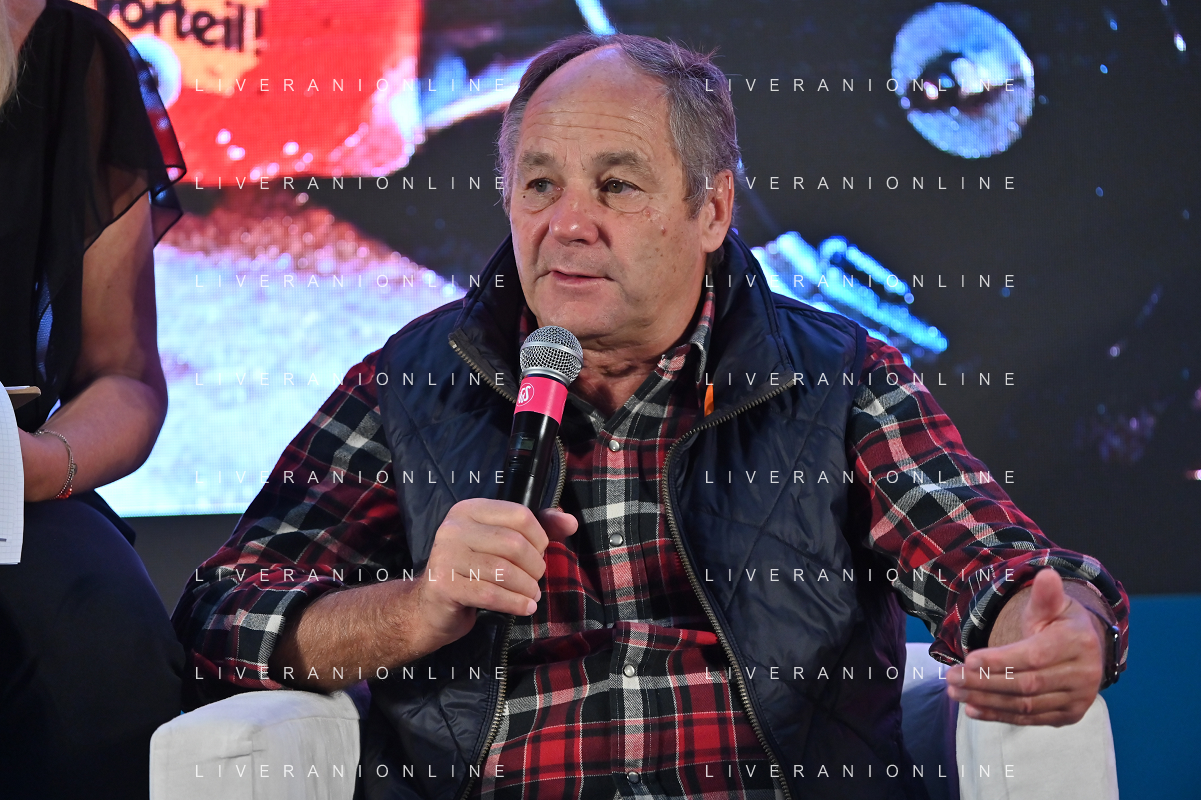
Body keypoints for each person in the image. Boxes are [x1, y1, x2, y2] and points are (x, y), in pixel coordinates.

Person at [174, 33, 1128, 800]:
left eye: (617, 186)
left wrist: (1055, 628)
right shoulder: (413, 382)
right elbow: (221, 616)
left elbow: (991, 562)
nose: (567, 223)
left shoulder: (838, 377)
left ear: (711, 209)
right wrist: (415, 608)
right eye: (539, 185)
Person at [0, 0, 186, 796]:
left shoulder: (71, 53)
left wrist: (35, 465)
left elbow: (124, 375)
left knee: (102, 637)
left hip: (10, 494)